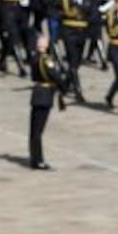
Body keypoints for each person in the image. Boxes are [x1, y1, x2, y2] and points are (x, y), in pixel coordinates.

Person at [25, 30, 66, 170]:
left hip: (37, 93)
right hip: (45, 94)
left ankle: (34, 158)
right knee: (38, 130)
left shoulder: (34, 57)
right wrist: (63, 86)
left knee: (34, 129)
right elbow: (54, 75)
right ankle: (38, 160)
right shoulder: (46, 59)